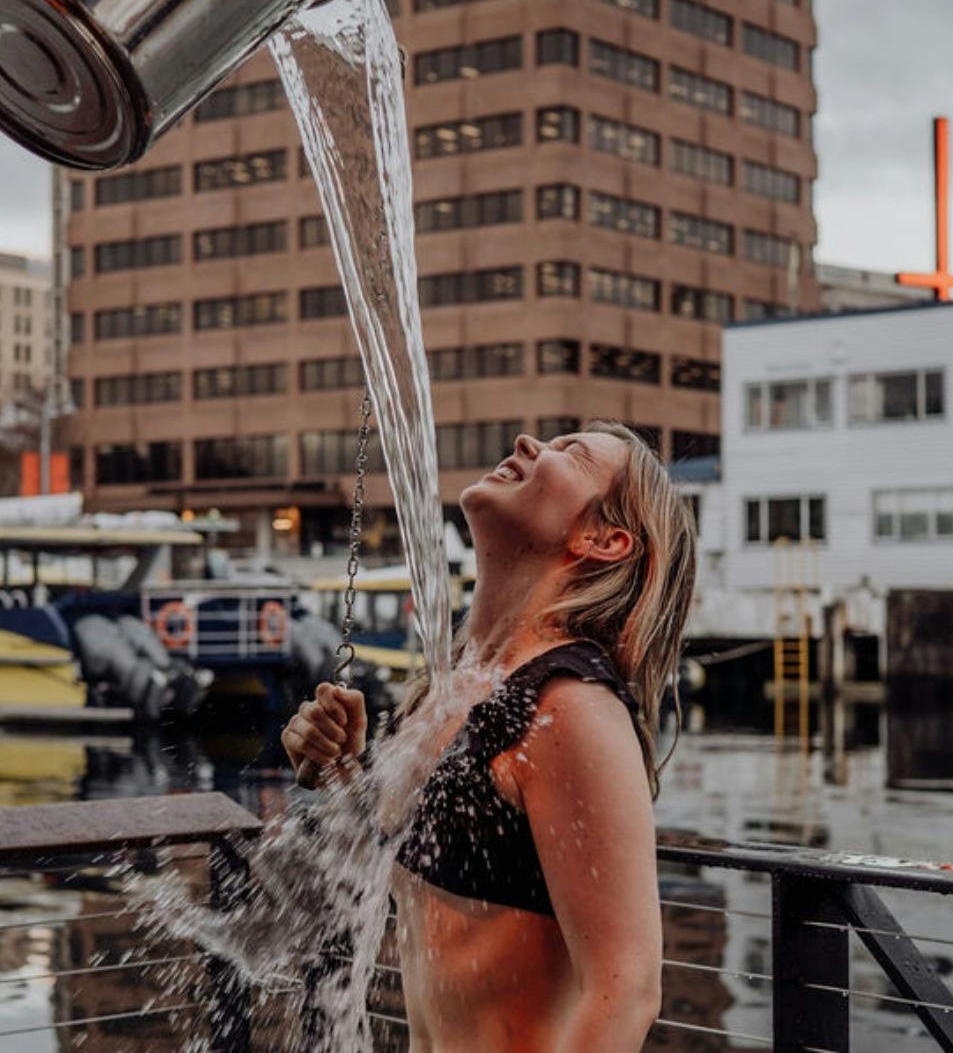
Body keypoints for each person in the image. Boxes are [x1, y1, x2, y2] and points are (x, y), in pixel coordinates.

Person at [283, 423, 697, 1051]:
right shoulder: (456, 687)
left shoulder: (571, 708)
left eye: (571, 453)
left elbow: (626, 989)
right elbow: (411, 867)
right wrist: (342, 769)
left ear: (604, 539)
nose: (532, 441)